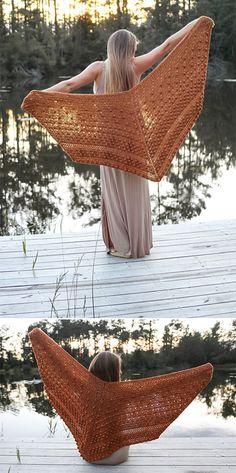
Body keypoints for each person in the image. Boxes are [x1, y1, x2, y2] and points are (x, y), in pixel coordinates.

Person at [43, 19, 198, 258]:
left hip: (109, 142)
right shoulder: (135, 66)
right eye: (134, 48)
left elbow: (69, 85)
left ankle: (120, 246)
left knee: (114, 193)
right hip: (135, 139)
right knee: (136, 192)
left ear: (111, 47)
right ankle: (138, 246)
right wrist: (197, 23)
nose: (135, 51)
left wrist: (39, 95)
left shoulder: (98, 68)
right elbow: (168, 45)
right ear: (129, 49)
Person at [88, 351, 129, 465]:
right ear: (114, 372)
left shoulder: (85, 393)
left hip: (89, 455)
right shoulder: (123, 394)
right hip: (114, 457)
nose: (120, 372)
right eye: (119, 369)